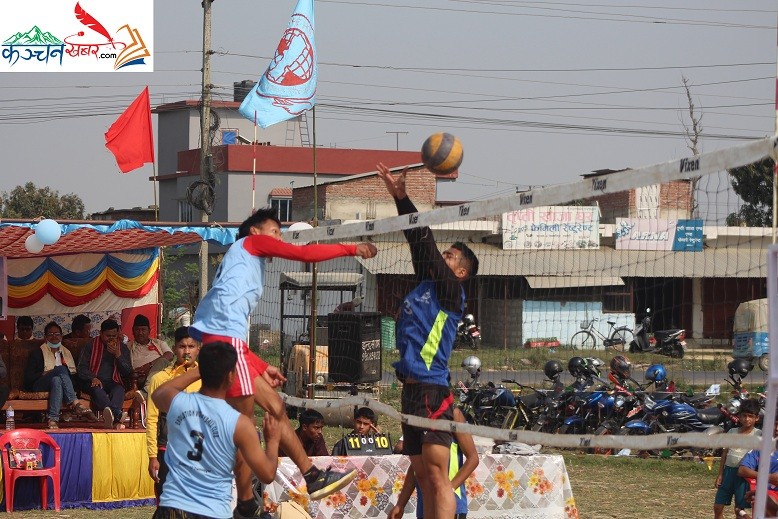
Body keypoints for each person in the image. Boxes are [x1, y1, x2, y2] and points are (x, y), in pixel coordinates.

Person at [189, 207, 377, 516]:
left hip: (229, 345)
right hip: (225, 347)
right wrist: (352, 248)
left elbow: (227, 331)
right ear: (256, 232)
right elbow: (302, 255)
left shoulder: (246, 262)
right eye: (275, 231)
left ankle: (312, 476)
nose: (279, 238)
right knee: (245, 428)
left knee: (276, 407)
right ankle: (245, 501)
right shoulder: (250, 244)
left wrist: (262, 366)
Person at [377, 162, 479, 519]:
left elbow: (426, 241)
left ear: (460, 272)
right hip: (409, 390)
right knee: (421, 473)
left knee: (437, 477)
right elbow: (415, 238)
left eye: (449, 256)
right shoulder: (429, 283)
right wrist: (400, 199)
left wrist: (406, 196)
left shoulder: (451, 292)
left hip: (433, 390)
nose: (442, 258)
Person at [151, 341, 281, 519]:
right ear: (231, 376)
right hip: (211, 511)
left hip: (172, 508)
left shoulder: (179, 403)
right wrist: (272, 442)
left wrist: (201, 370)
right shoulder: (239, 423)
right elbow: (266, 474)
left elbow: (158, 393)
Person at [389, 407, 479, 519]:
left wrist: (450, 489)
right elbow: (416, 467)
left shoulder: (453, 414)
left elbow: (473, 458)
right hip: (425, 506)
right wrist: (400, 504)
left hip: (452, 505)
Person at [146, 326, 201, 501]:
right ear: (174, 348)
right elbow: (152, 419)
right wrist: (152, 456)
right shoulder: (160, 379)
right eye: (182, 346)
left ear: (198, 348)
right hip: (167, 450)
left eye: (191, 347)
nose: (186, 352)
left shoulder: (208, 378)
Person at [24, 321, 98, 429]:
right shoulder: (37, 353)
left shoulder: (66, 353)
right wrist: (43, 373)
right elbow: (28, 377)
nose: (54, 337)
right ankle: (75, 403)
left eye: (57, 334)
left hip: (60, 385)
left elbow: (73, 376)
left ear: (61, 336)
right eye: (51, 334)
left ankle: (53, 419)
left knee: (57, 380)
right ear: (45, 337)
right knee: (61, 369)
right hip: (40, 384)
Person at [77, 319, 132, 429]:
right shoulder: (90, 345)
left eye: (114, 336)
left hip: (113, 381)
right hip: (93, 381)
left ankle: (112, 417)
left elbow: (127, 371)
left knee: (119, 390)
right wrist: (92, 377)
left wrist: (118, 355)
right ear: (101, 333)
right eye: (108, 335)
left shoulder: (122, 348)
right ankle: (117, 415)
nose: (111, 338)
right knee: (97, 390)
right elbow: (81, 368)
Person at [714, 398, 761, 519]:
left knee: (739, 509)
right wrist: (720, 475)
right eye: (744, 415)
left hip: (744, 476)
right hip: (728, 472)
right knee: (718, 506)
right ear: (739, 416)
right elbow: (725, 453)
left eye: (750, 416)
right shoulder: (732, 432)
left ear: (757, 418)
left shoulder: (759, 434)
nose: (747, 419)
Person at [738, 416, 778, 516]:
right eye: (775, 424)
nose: (777, 428)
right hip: (768, 493)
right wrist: (768, 477)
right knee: (765, 500)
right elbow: (742, 470)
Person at [128, 314, 174, 396]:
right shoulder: (128, 346)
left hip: (162, 372)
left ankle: (146, 390)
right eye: (137, 330)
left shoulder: (159, 343)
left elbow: (170, 355)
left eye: (143, 330)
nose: (140, 333)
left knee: (162, 361)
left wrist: (149, 365)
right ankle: (148, 388)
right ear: (132, 331)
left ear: (149, 330)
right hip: (141, 377)